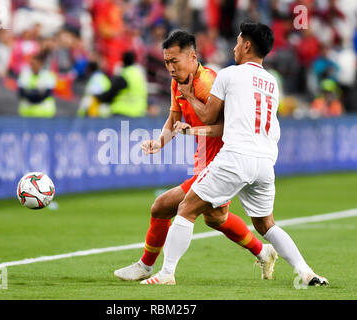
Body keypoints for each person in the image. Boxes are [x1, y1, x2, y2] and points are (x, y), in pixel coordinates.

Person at [141, 22, 329, 287]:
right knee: (267, 225)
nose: (234, 47)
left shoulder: (228, 75)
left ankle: (166, 273)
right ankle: (307, 272)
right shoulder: (272, 82)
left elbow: (207, 116)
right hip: (265, 161)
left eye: (238, 42)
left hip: (236, 156)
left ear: (247, 46)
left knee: (185, 209)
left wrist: (189, 97)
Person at [114, 30, 277, 282]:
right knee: (216, 218)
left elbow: (225, 127)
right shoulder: (177, 81)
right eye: (166, 62)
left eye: (174, 61)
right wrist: (160, 143)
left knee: (162, 206)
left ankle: (151, 268)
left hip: (221, 162)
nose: (169, 67)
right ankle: (263, 251)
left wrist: (194, 126)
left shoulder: (208, 83)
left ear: (192, 57)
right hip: (203, 162)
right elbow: (174, 118)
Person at [92, 51, 148, 117]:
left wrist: (97, 97)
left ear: (122, 61)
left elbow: (110, 93)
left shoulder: (124, 75)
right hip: (139, 112)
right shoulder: (139, 74)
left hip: (123, 112)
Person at [17, 52, 57, 117]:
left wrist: (33, 96)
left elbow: (48, 93)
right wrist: (35, 95)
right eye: (32, 64)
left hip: (44, 112)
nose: (34, 66)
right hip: (27, 112)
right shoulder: (24, 74)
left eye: (36, 64)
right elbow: (21, 92)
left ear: (41, 64)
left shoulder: (48, 75)